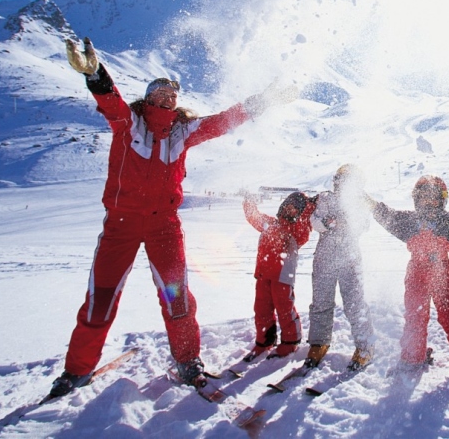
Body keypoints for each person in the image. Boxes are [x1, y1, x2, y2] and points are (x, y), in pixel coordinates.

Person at [50, 37, 296, 396]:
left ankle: (187, 360)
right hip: (121, 224)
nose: (167, 98)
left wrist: (265, 101)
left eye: (172, 95)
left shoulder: (182, 132)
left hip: (164, 226)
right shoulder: (129, 124)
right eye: (160, 93)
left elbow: (223, 121)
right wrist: (95, 74)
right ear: (148, 98)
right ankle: (76, 371)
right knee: (101, 298)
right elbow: (111, 103)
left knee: (177, 299)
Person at [371, 176, 449, 384]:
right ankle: (412, 358)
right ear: (416, 201)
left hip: (441, 272)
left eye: (433, 199)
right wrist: (371, 205)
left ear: (442, 201)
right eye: (424, 199)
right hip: (416, 272)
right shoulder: (409, 221)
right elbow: (388, 216)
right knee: (415, 316)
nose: (428, 203)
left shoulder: (448, 222)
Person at [305, 164, 376, 371]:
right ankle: (319, 343)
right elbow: (314, 220)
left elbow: (364, 225)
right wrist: (326, 223)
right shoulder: (326, 198)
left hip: (349, 258)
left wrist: (349, 221)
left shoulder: (359, 202)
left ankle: (365, 346)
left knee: (354, 303)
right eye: (340, 180)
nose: (342, 184)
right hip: (325, 257)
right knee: (321, 302)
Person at [242, 191, 316, 361]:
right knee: (261, 309)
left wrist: (307, 209)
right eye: (288, 206)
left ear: (300, 212)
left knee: (284, 307)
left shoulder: (297, 230)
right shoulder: (270, 223)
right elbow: (254, 217)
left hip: (282, 276)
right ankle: (264, 341)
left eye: (295, 208)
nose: (290, 210)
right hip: (263, 274)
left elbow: (302, 233)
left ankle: (291, 341)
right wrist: (249, 202)